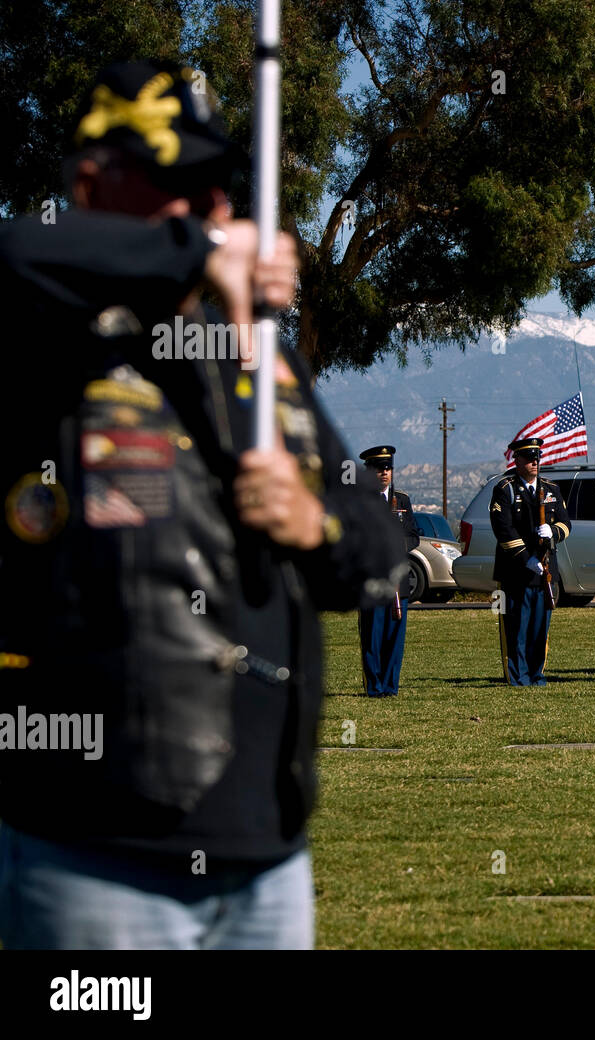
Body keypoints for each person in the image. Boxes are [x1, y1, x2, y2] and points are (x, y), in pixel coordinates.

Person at [0, 60, 404, 950]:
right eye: (171, 184)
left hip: (267, 854)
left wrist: (313, 520)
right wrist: (201, 259)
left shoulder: (255, 355)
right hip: (95, 854)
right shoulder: (44, 335)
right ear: (86, 184)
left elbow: (373, 543)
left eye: (214, 188)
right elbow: (16, 251)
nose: (202, 208)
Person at [490, 437, 571, 686]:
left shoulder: (551, 489)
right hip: (516, 570)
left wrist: (553, 532)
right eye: (528, 458)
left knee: (539, 626)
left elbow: (566, 524)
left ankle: (537, 674)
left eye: (537, 458)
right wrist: (526, 559)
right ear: (517, 460)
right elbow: (503, 529)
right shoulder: (505, 489)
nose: (534, 462)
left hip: (545, 570)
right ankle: (517, 676)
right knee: (516, 626)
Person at [356, 445, 420, 696]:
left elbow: (414, 536)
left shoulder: (401, 500)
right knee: (373, 634)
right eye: (379, 468)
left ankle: (391, 685)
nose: (385, 473)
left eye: (388, 468)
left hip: (398, 580)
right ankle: (374, 686)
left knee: (395, 635)